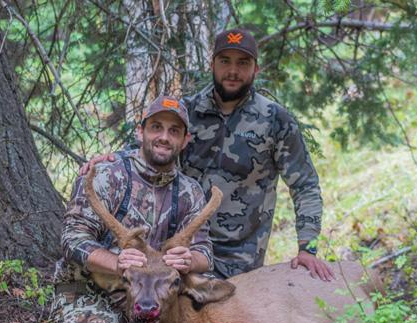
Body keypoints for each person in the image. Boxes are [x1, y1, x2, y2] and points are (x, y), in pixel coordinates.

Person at [84, 28, 334, 281]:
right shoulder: (187, 112)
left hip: (239, 263)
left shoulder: (275, 120)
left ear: (256, 69)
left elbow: (305, 186)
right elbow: (148, 153)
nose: (233, 71)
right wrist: (111, 160)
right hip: (178, 253)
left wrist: (308, 248)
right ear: (212, 64)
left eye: (243, 63)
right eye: (225, 61)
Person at [39, 95, 213, 323]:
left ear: (185, 140)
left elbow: (204, 252)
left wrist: (190, 260)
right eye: (156, 127)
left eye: (174, 131)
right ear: (140, 131)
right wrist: (115, 262)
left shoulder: (189, 191)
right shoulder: (108, 175)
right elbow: (71, 239)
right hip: (92, 294)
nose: (164, 136)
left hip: (153, 300)